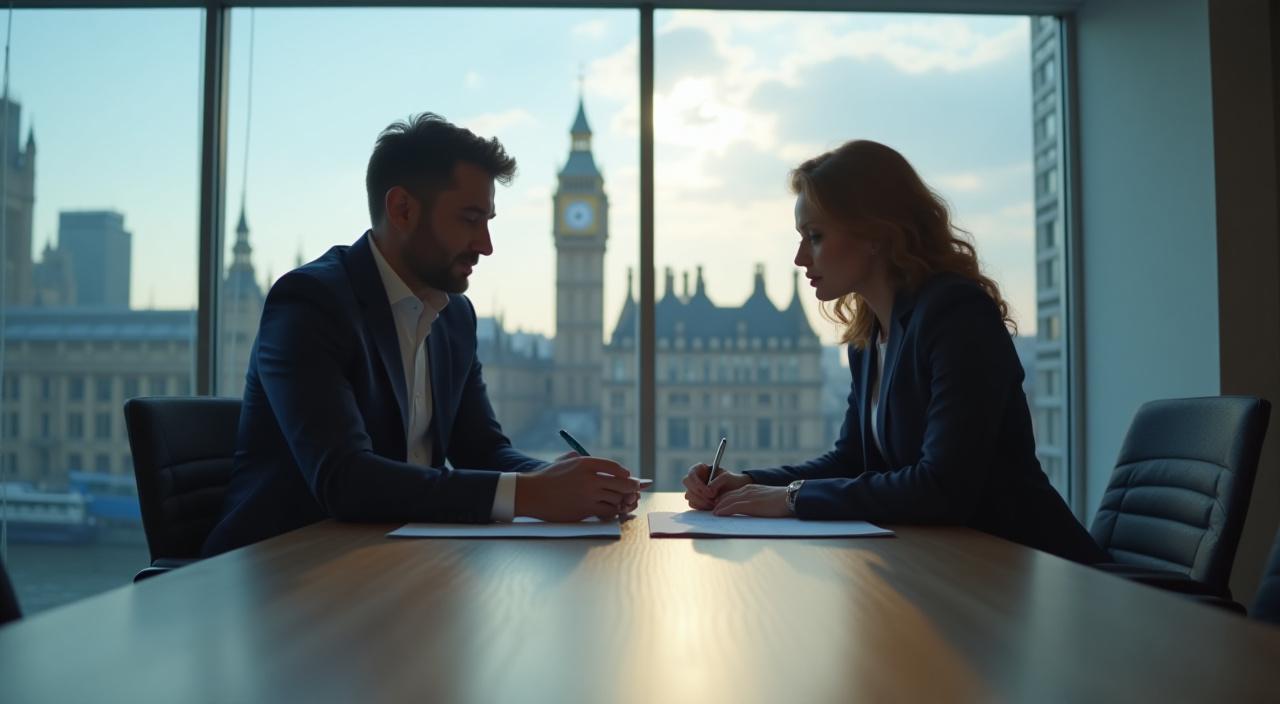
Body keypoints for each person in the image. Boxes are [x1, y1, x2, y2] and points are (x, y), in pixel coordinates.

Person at [203, 114, 640, 556]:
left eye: (487, 220)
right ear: (403, 210)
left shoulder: (454, 317)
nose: (486, 244)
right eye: (470, 219)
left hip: (389, 562)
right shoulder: (310, 304)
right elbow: (346, 479)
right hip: (274, 570)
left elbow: (483, 451)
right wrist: (533, 494)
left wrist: (573, 484)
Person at [682, 140, 1105, 564]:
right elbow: (851, 460)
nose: (798, 257)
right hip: (951, 566)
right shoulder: (869, 336)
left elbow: (942, 486)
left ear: (875, 234)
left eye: (815, 236)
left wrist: (792, 498)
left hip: (1034, 568)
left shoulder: (956, 315)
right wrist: (747, 481)